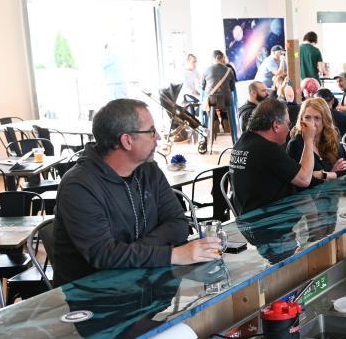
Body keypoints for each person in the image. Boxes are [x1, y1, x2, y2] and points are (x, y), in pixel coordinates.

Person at [54, 99, 221, 284]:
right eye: (151, 131)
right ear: (127, 141)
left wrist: (129, 251)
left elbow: (179, 225)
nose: (158, 137)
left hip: (147, 283)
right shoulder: (78, 186)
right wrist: (171, 255)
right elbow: (104, 256)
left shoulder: (148, 170)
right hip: (93, 296)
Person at [229, 99, 318, 214]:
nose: (289, 129)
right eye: (288, 124)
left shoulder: (242, 141)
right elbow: (305, 179)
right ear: (276, 125)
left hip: (246, 219)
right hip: (268, 222)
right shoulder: (267, 149)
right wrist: (309, 139)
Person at [286, 98, 346, 186]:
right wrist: (332, 173)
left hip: (332, 194)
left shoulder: (331, 139)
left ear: (325, 121)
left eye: (317, 118)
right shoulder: (295, 144)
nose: (312, 123)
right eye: (307, 117)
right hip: (307, 197)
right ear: (301, 120)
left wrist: (322, 174)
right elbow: (305, 182)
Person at [200, 50, 236, 134]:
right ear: (222, 57)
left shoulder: (206, 70)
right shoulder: (229, 70)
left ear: (215, 58)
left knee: (209, 104)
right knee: (225, 105)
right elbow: (232, 88)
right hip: (227, 100)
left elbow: (203, 87)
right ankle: (225, 120)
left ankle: (214, 121)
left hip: (212, 100)